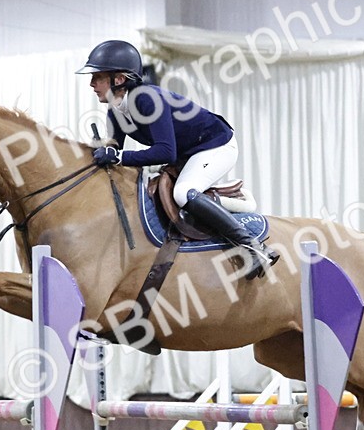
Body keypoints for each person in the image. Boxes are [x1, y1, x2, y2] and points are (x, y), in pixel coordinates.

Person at [77, 40, 279, 280]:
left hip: (216, 145)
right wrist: (98, 152)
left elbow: (165, 152)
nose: (91, 84)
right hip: (190, 152)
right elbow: (114, 149)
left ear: (119, 79)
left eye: (97, 77)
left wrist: (118, 156)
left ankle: (254, 246)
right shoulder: (115, 108)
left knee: (183, 192)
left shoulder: (147, 99)